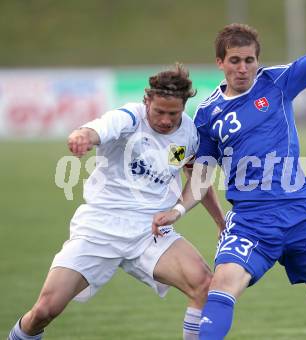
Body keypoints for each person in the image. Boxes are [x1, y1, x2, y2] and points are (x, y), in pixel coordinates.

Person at [152, 1, 306, 339]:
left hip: (299, 214)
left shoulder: (278, 83)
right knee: (221, 287)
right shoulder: (208, 115)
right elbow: (200, 174)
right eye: (235, 61)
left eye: (249, 60)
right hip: (251, 220)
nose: (243, 68)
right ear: (220, 63)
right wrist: (179, 209)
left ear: (258, 60)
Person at [8, 64, 225, 340]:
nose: (167, 120)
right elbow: (99, 128)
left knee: (204, 285)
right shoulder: (130, 117)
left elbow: (198, 178)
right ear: (147, 101)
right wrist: (83, 136)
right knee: (44, 311)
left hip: (150, 230)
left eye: (174, 113)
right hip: (100, 227)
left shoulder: (189, 133)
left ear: (184, 106)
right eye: (160, 112)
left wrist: (217, 219)